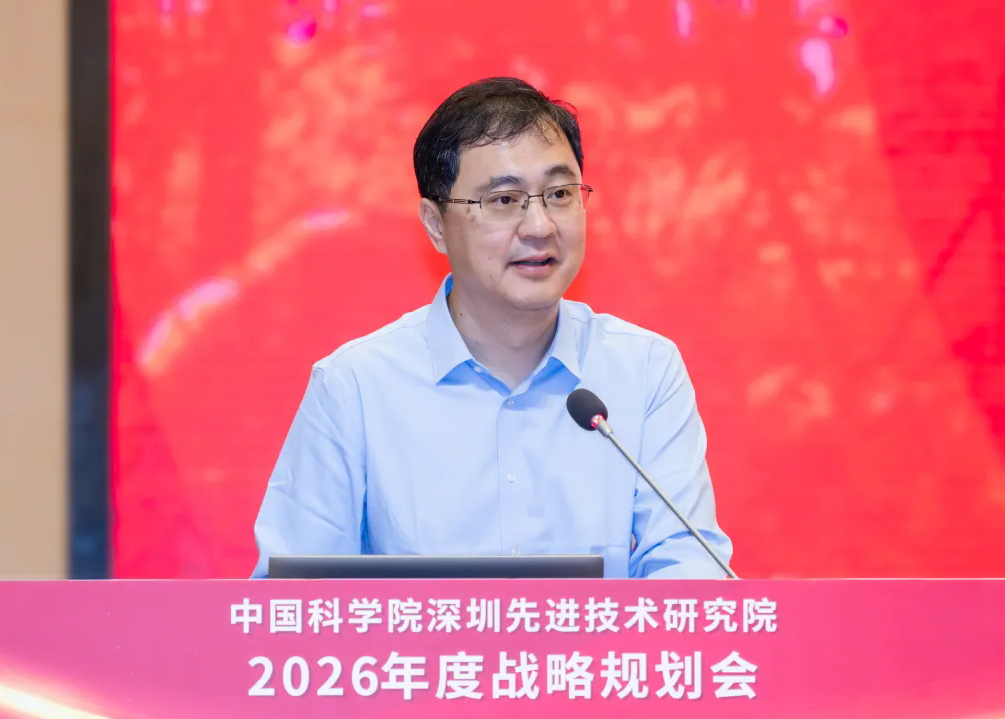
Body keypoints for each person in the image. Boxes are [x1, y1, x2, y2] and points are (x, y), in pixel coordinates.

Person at [251, 77, 733, 578]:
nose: (540, 226)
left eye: (560, 194)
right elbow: (293, 598)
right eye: (504, 200)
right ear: (435, 224)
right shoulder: (355, 387)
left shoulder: (644, 370)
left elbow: (689, 568)